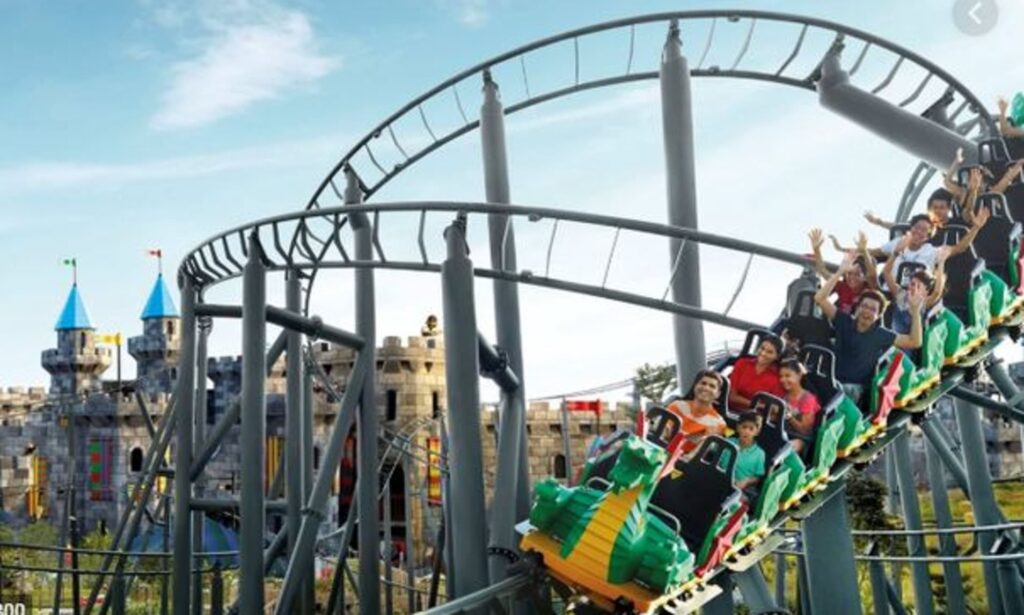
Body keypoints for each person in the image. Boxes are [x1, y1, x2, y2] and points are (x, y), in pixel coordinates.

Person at [814, 251, 924, 403]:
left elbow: (914, 342)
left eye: (873, 309)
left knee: (839, 397)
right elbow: (820, 298)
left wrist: (916, 312)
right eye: (864, 306)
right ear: (857, 308)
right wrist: (840, 272)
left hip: (854, 389)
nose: (867, 311)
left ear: (878, 316)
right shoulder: (843, 321)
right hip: (833, 382)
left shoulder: (880, 334)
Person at [882, 237, 947, 335]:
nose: (914, 288)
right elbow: (886, 273)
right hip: (894, 340)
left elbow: (937, 292)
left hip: (908, 344)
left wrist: (941, 263)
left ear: (925, 292)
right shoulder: (901, 295)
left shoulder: (923, 303)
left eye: (918, 286)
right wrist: (895, 253)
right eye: (912, 284)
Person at [809, 228, 878, 314]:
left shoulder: (869, 288)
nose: (852, 277)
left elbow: (872, 274)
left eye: (857, 274)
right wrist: (816, 249)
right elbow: (823, 271)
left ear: (864, 277)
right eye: (849, 273)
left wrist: (864, 250)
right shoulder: (842, 287)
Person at [666, 370, 727, 454]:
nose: (706, 388)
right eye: (703, 383)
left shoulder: (718, 423)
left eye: (712, 386)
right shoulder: (676, 406)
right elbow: (664, 432)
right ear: (695, 386)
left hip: (684, 462)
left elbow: (703, 451)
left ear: (718, 394)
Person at [779, 359, 821, 457]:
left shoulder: (807, 399)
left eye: (787, 376)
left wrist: (788, 416)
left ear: (799, 375)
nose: (783, 380)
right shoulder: (783, 395)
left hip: (801, 439)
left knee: (786, 449)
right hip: (783, 433)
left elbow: (804, 431)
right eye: (781, 376)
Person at [728, 337, 785, 410]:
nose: (763, 353)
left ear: (777, 356)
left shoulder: (778, 377)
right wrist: (758, 405)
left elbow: (773, 408)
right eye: (762, 348)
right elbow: (731, 396)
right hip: (729, 409)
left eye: (769, 352)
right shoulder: (742, 363)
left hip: (756, 418)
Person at [729, 413, 766, 499]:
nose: (746, 431)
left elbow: (758, 477)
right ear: (738, 428)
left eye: (751, 429)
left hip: (744, 488)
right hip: (722, 481)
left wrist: (746, 481)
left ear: (757, 432)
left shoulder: (759, 453)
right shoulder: (728, 442)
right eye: (744, 427)